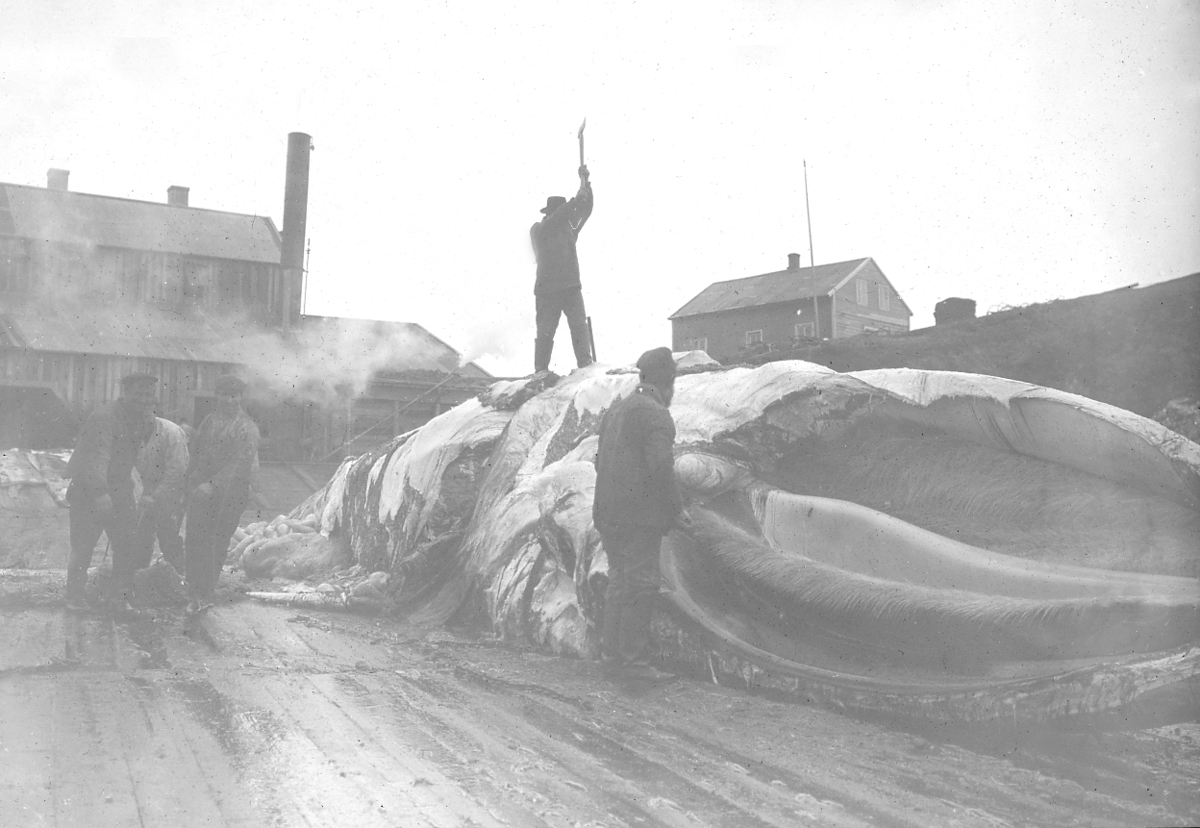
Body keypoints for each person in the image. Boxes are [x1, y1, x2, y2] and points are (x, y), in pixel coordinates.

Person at [592, 347, 692, 682]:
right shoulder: (656, 414)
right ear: (670, 383)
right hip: (638, 519)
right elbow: (661, 465)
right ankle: (634, 664)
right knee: (641, 583)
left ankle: (612, 658)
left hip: (607, 513)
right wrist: (676, 510)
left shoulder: (616, 410)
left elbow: (599, 460)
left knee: (619, 581)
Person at [63, 372, 158, 612]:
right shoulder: (104, 417)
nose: (144, 399)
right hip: (89, 488)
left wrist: (147, 488)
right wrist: (100, 493)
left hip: (120, 487)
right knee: (83, 546)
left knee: (127, 545)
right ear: (125, 393)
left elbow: (141, 456)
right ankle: (74, 597)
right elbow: (97, 457)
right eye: (139, 393)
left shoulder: (144, 420)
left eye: (149, 395)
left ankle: (118, 598)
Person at [184, 374, 260, 613]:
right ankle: (192, 588)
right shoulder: (209, 420)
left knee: (216, 541)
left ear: (240, 397)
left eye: (233, 395)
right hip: (202, 491)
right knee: (195, 539)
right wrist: (192, 483)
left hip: (230, 493)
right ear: (216, 395)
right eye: (224, 394)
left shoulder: (246, 427)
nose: (228, 400)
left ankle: (206, 592)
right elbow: (198, 453)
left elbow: (240, 464)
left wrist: (212, 485)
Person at [530, 164, 594, 373]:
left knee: (579, 327)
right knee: (546, 333)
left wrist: (586, 184)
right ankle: (540, 370)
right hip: (547, 291)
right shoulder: (539, 230)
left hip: (570, 287)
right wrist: (576, 200)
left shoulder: (568, 229)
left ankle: (585, 363)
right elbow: (561, 217)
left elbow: (585, 212)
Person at [132, 415, 190, 572]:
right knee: (140, 532)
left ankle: (177, 575)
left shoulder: (171, 433)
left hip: (173, 488)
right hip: (147, 486)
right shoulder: (130, 430)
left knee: (167, 533)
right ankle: (139, 573)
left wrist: (155, 496)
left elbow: (177, 471)